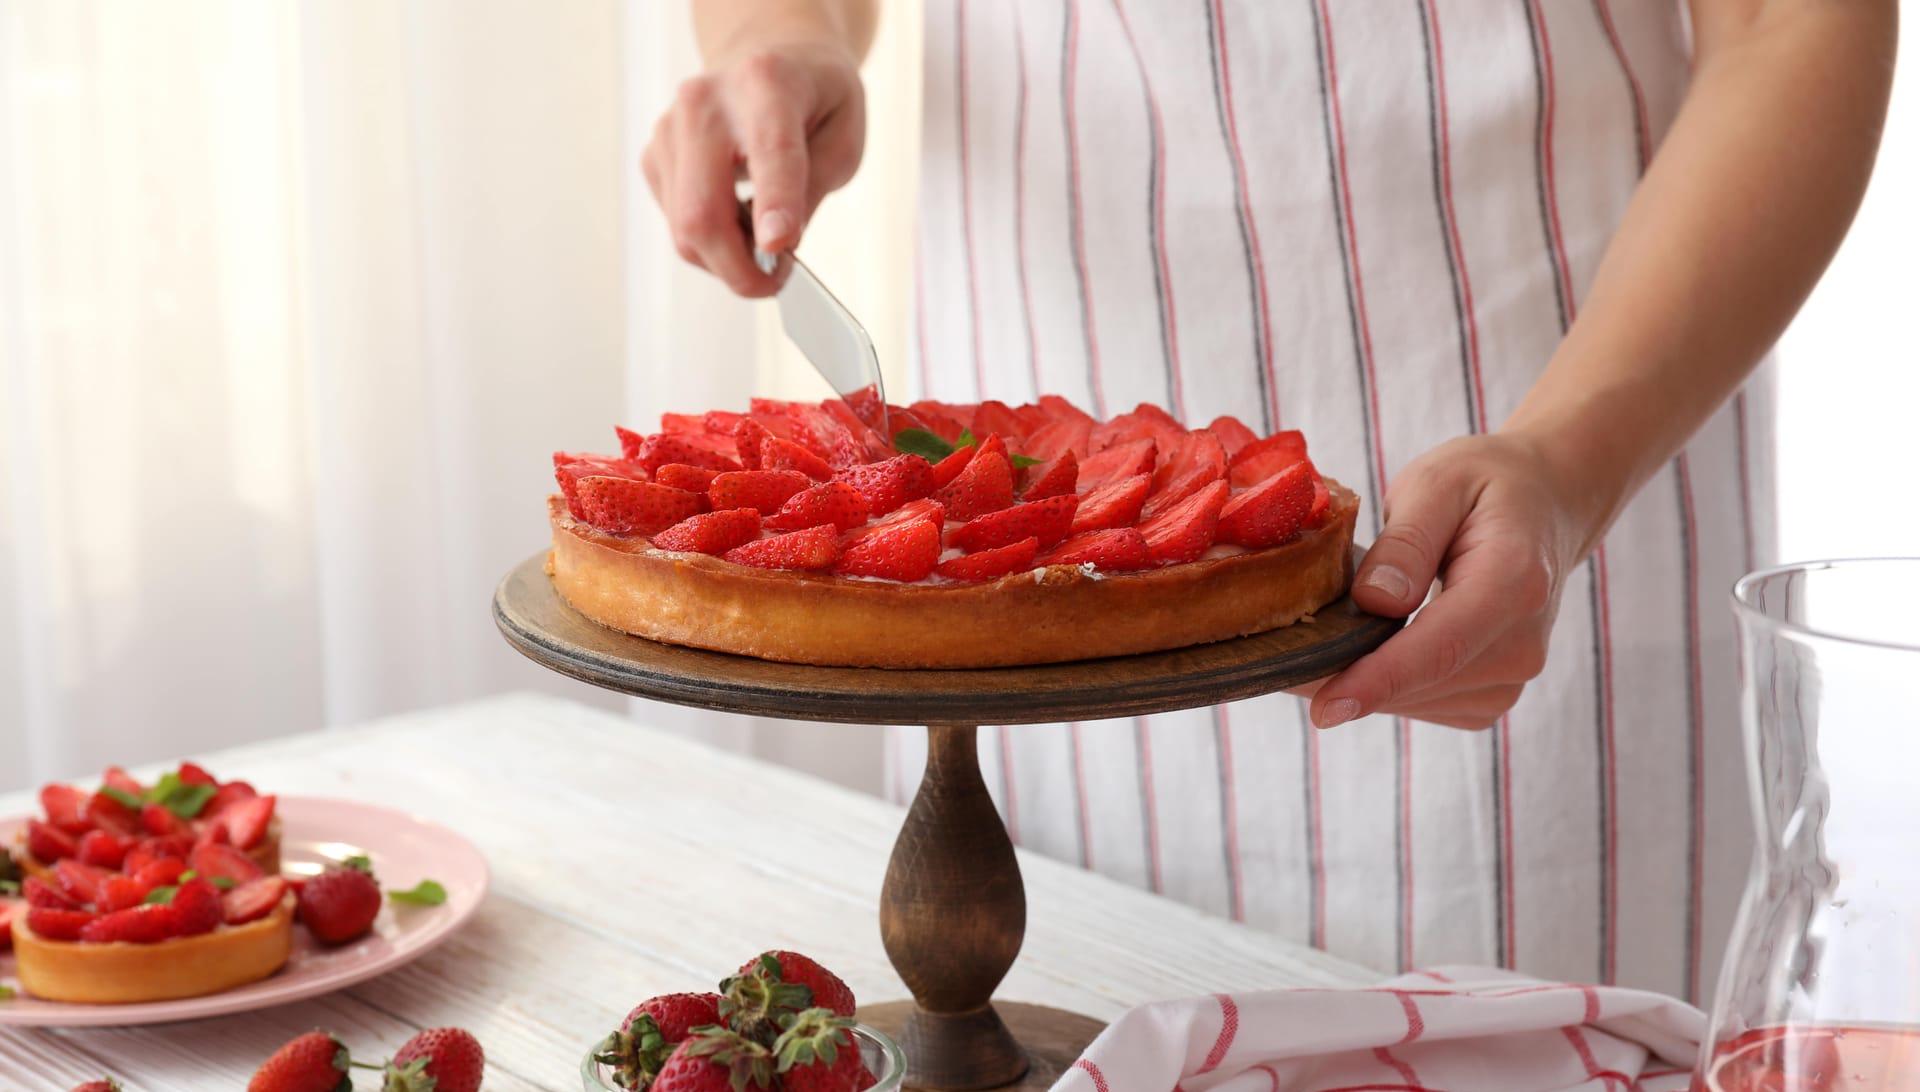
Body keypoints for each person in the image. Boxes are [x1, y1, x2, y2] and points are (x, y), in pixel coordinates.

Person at [643, 0, 1896, 1001]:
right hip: (1013, 536)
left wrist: (1568, 461)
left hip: (1560, 450)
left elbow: (1793, 27)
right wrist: (782, 36)